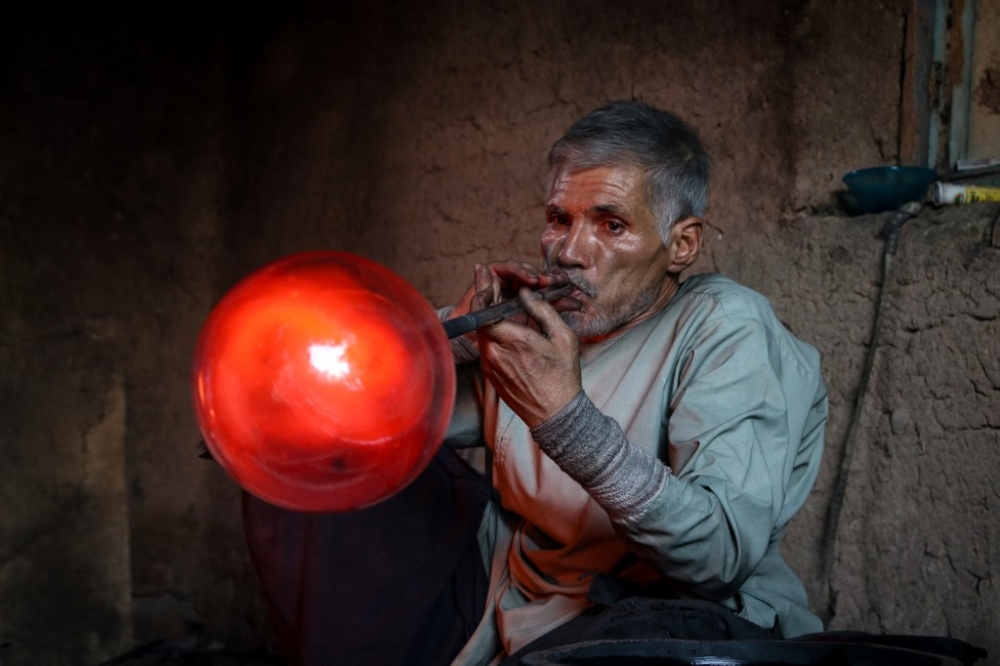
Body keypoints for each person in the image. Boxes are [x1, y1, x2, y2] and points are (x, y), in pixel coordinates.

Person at [242, 100, 828, 665]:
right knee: (310, 453)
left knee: (656, 637)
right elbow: (354, 412)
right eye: (559, 219)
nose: (570, 252)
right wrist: (456, 336)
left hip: (647, 615)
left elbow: (719, 557)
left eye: (612, 224)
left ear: (681, 244)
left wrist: (567, 422)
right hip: (512, 600)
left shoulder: (725, 327)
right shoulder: (535, 336)